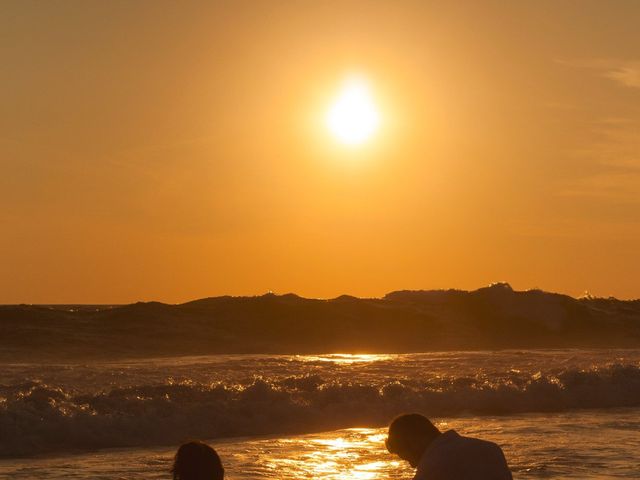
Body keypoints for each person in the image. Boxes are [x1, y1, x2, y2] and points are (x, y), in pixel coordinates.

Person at [385, 413, 512, 480]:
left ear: (414, 441)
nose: (413, 465)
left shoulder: (433, 465)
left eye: (409, 459)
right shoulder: (491, 449)